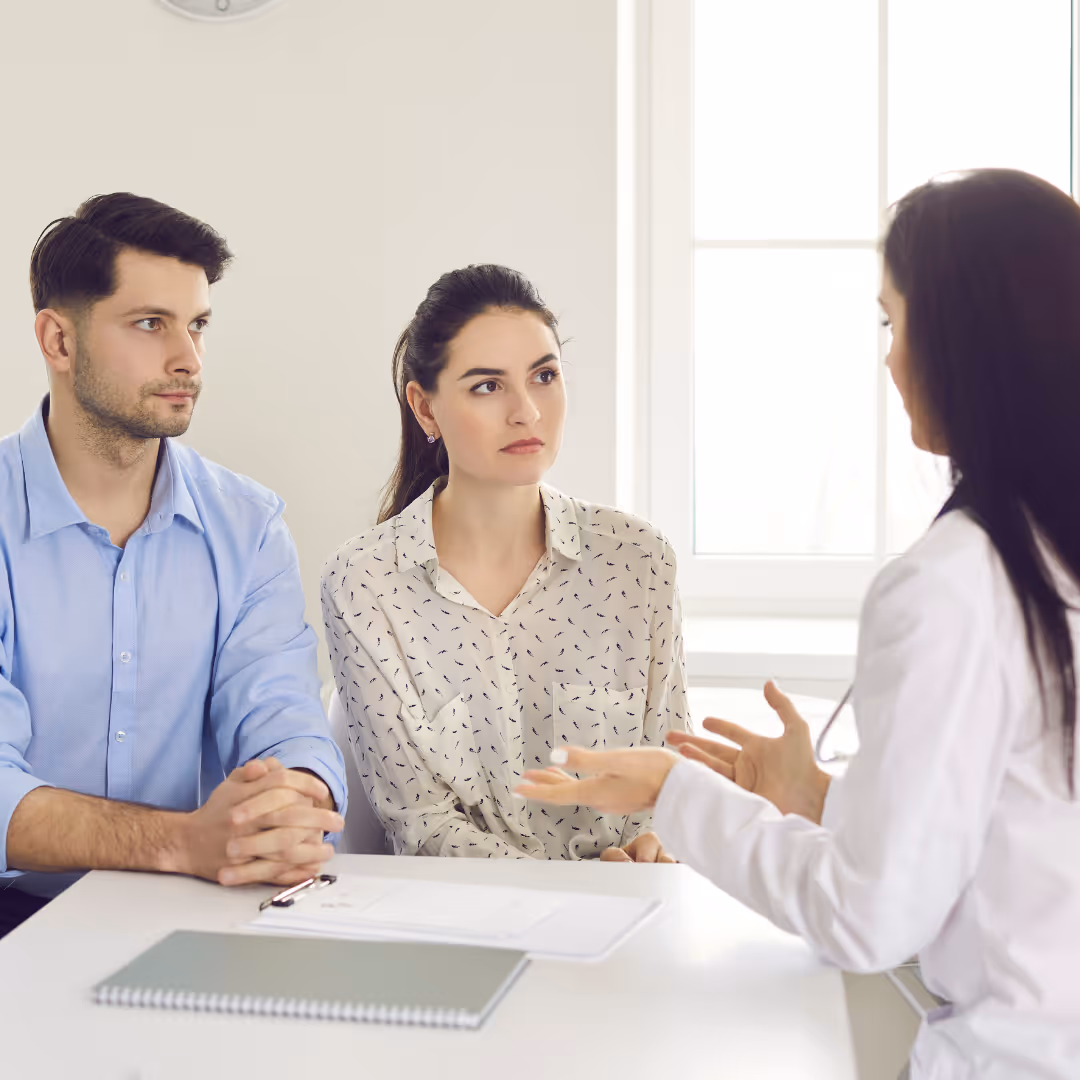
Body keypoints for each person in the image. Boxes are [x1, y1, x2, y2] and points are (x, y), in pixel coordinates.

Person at [516, 170, 1080, 1079]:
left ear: (967, 340)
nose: (890, 361)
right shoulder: (1040, 559)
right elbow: (1026, 830)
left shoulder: (953, 587)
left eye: (895, 323)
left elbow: (868, 916)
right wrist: (821, 801)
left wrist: (675, 791)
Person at [0, 194, 347, 938]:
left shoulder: (249, 526)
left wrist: (292, 799)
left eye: (197, 326)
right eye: (151, 324)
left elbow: (282, 715)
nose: (188, 358)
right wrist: (179, 840)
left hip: (198, 909)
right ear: (58, 341)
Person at [322, 264, 688, 861]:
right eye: (487, 386)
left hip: (628, 910)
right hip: (464, 928)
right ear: (426, 409)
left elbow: (672, 773)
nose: (528, 412)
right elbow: (420, 824)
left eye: (544, 376)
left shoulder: (638, 561)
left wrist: (655, 846)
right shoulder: (365, 582)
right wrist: (573, 890)